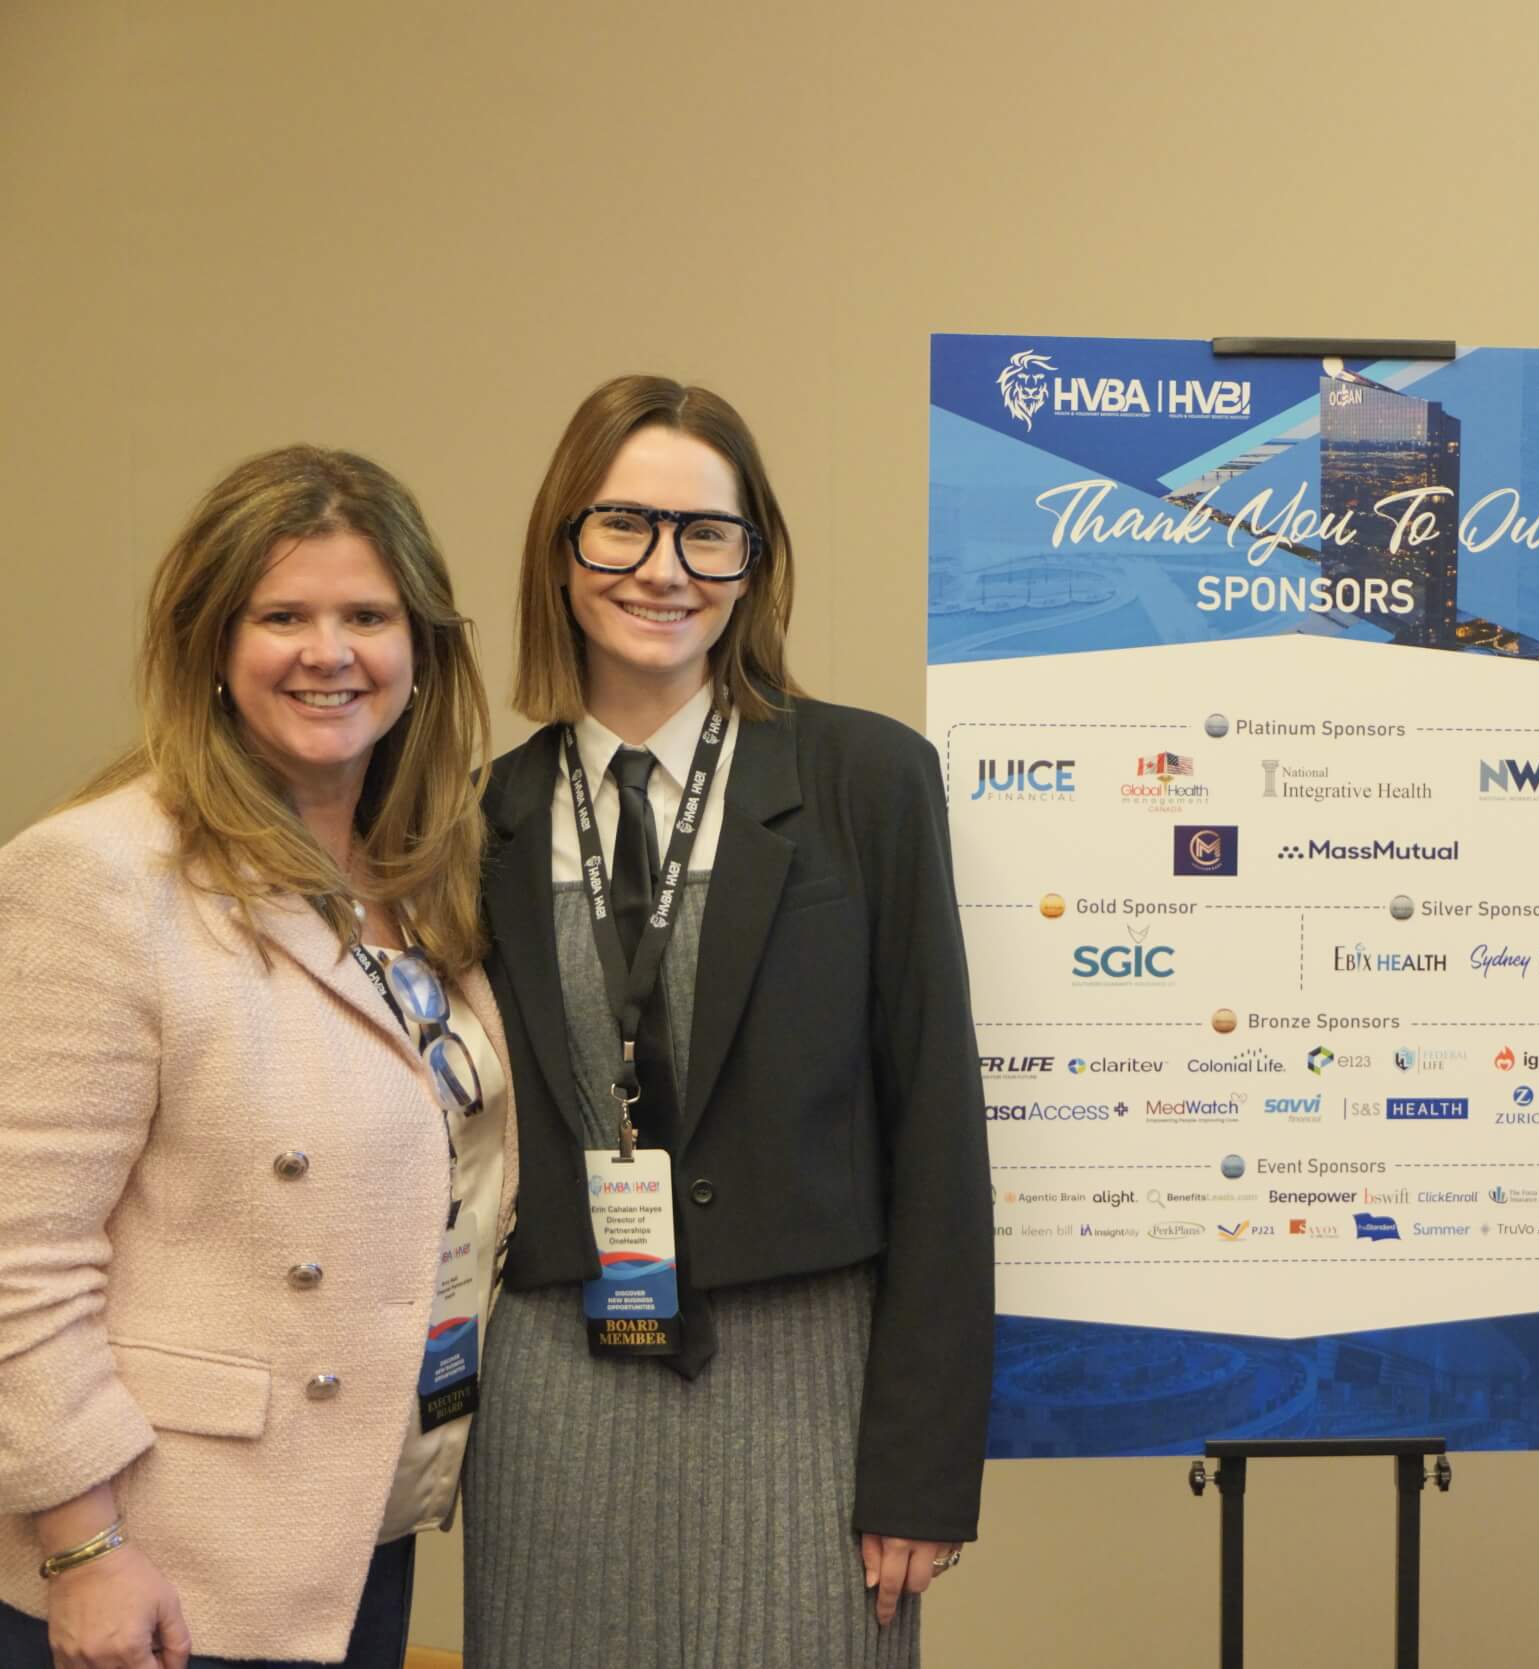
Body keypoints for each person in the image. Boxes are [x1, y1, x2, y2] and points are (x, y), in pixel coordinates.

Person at [462, 375, 992, 1668]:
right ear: (560, 548)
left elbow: (938, 1131)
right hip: (555, 1382)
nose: (665, 569)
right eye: (622, 526)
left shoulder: (866, 781)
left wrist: (922, 1470)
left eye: (708, 534)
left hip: (809, 1382)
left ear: (754, 563)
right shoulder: (482, 817)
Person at [0, 446, 513, 1667]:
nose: (328, 652)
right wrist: (83, 1548)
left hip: (357, 1527)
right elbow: (20, 1252)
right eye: (282, 615)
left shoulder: (426, 880)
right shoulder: (99, 874)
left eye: (367, 616)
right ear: (212, 647)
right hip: (162, 1565)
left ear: (421, 650)